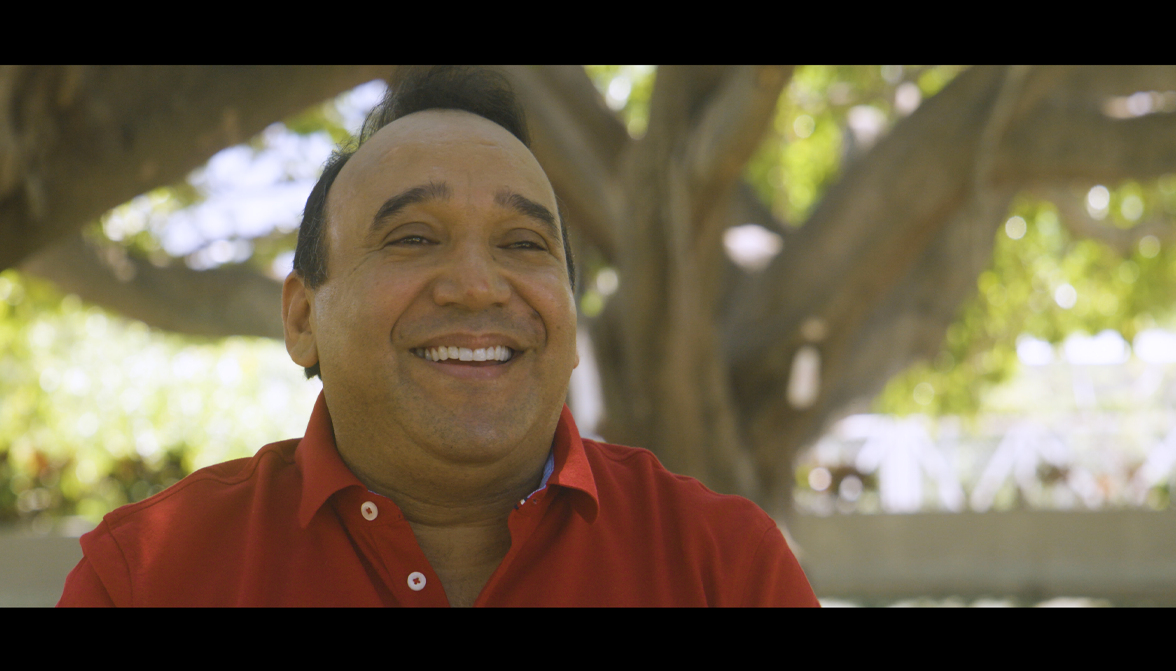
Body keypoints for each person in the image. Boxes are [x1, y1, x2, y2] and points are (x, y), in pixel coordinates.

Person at [57, 66, 820, 607]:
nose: (478, 285)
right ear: (301, 319)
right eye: (414, 238)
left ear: (570, 316)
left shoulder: (727, 570)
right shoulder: (147, 578)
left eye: (523, 243)